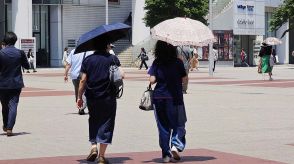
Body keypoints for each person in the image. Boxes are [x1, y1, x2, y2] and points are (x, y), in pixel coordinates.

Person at [76, 42, 125, 163]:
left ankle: (93, 146)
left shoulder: (88, 60)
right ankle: (102, 156)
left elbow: (83, 80)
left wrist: (79, 97)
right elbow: (122, 75)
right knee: (107, 122)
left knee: (93, 120)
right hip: (109, 97)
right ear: (107, 46)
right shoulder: (112, 58)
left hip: (92, 96)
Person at [148, 40, 187, 163]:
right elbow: (184, 79)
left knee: (163, 126)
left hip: (159, 97)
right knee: (178, 123)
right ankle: (175, 145)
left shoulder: (157, 62)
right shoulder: (178, 62)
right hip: (175, 97)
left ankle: (166, 154)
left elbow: (152, 80)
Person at [0, 31, 30, 136]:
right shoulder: (20, 52)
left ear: (5, 41)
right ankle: (9, 128)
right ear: (15, 40)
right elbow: (27, 66)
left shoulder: (1, 53)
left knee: (4, 106)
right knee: (13, 105)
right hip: (16, 84)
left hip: (2, 84)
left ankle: (5, 124)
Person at [64, 49, 92, 115]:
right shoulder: (89, 51)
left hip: (74, 75)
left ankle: (80, 107)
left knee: (77, 92)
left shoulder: (73, 51)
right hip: (84, 75)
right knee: (85, 91)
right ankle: (83, 107)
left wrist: (65, 74)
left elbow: (68, 64)